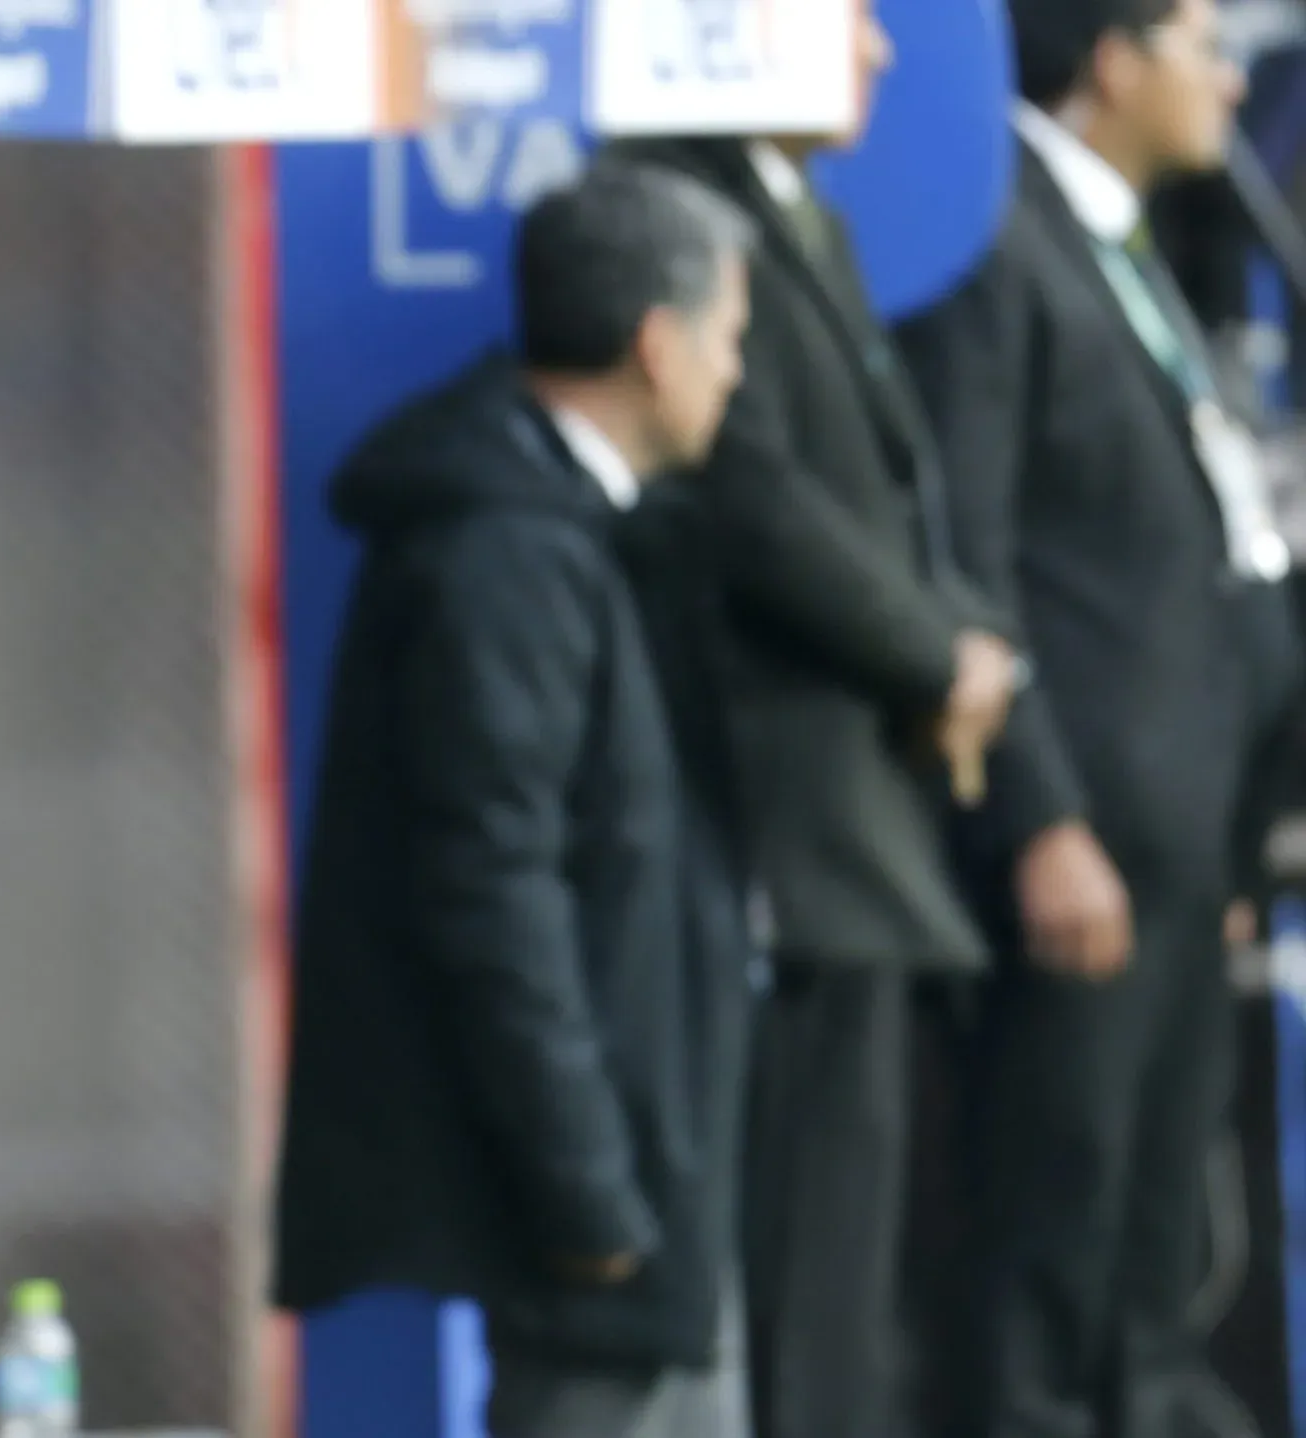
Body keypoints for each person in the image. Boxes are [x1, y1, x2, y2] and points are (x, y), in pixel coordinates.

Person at [274, 161, 759, 1438]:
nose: (736, 376)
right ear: (659, 346)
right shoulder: (504, 552)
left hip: (643, 1178)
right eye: (730, 341)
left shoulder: (570, 523)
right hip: (595, 1219)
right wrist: (589, 1186)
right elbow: (492, 890)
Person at [615, 7, 1028, 1434]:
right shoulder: (665, 205)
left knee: (857, 1277)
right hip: (787, 832)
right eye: (850, 18)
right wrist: (929, 658)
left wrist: (972, 656)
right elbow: (761, 505)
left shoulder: (812, 224)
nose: (881, 55)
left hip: (874, 824)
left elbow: (897, 502)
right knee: (803, 1279)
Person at [892, 3, 1275, 1431]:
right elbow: (971, 559)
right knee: (1052, 1229)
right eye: (1199, 43)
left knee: (1152, 1226)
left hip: (1184, 842)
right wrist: (1041, 816)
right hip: (1089, 845)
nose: (1229, 79)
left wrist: (1224, 847)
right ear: (1111, 61)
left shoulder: (1123, 244)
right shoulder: (996, 240)